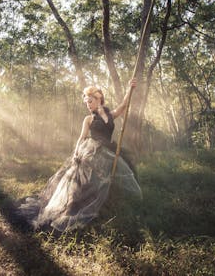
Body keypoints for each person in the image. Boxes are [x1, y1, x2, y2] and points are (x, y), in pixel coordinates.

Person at [16, 80, 142, 232]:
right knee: (87, 181)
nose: (88, 105)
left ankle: (111, 204)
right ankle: (73, 207)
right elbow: (82, 137)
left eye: (90, 101)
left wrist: (130, 88)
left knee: (111, 178)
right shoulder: (88, 119)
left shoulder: (110, 114)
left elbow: (123, 106)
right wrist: (76, 151)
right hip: (92, 151)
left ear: (99, 99)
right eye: (86, 102)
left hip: (109, 151)